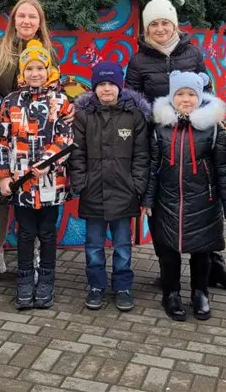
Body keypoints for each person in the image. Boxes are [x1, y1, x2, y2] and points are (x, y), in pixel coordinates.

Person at [125, 0, 226, 294]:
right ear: (146, 29)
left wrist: (213, 119)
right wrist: (150, 130)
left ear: (175, 25)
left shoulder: (192, 52)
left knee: (203, 202)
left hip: (195, 139)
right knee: (162, 207)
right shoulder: (139, 60)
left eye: (165, 23)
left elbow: (207, 91)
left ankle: (214, 267)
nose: (160, 29)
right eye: (154, 24)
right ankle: (168, 272)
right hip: (160, 140)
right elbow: (133, 100)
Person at [0, 0, 72, 284]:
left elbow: (57, 89)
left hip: (39, 139)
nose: (27, 21)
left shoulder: (48, 52)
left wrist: (71, 108)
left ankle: (36, 255)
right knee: (2, 194)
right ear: (13, 19)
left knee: (37, 195)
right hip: (7, 130)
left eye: (33, 17)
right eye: (21, 16)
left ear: (40, 22)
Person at [144, 70, 226, 322]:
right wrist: (148, 199)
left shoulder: (213, 130)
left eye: (191, 94)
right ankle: (171, 293)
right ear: (171, 97)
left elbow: (225, 169)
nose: (185, 99)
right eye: (180, 94)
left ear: (200, 97)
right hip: (167, 201)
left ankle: (200, 293)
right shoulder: (160, 128)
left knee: (201, 252)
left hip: (203, 201)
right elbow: (152, 166)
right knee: (168, 253)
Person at [0, 39, 73, 310]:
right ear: (22, 72)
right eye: (29, 68)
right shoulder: (10, 102)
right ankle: (25, 278)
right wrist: (3, 175)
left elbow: (65, 138)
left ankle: (47, 278)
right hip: (21, 183)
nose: (35, 73)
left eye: (40, 68)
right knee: (25, 233)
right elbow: (1, 141)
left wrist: (48, 163)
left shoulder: (60, 101)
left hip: (51, 182)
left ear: (48, 70)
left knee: (48, 232)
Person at [68, 61, 150, 312]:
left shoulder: (133, 116)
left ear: (119, 86)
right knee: (94, 245)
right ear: (94, 87)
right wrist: (81, 183)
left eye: (111, 84)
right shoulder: (84, 116)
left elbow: (142, 156)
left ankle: (123, 286)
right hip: (93, 192)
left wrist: (137, 186)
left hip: (125, 193)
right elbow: (76, 154)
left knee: (122, 246)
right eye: (101, 84)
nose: (106, 89)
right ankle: (96, 285)